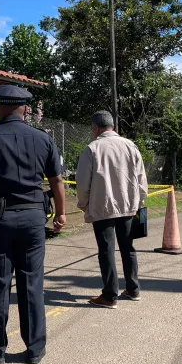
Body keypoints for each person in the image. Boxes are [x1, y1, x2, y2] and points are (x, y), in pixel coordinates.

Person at [0, 84, 67, 364]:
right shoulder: (43, 139)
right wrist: (61, 213)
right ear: (24, 109)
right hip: (33, 220)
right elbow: (56, 180)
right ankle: (34, 349)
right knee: (32, 283)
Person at [76, 111, 148, 309]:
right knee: (128, 248)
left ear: (96, 128)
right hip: (129, 206)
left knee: (106, 250)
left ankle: (110, 295)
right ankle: (133, 289)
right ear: (112, 126)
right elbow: (141, 178)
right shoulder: (130, 146)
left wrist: (83, 203)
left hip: (103, 206)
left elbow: (83, 182)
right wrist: (140, 202)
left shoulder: (92, 148)